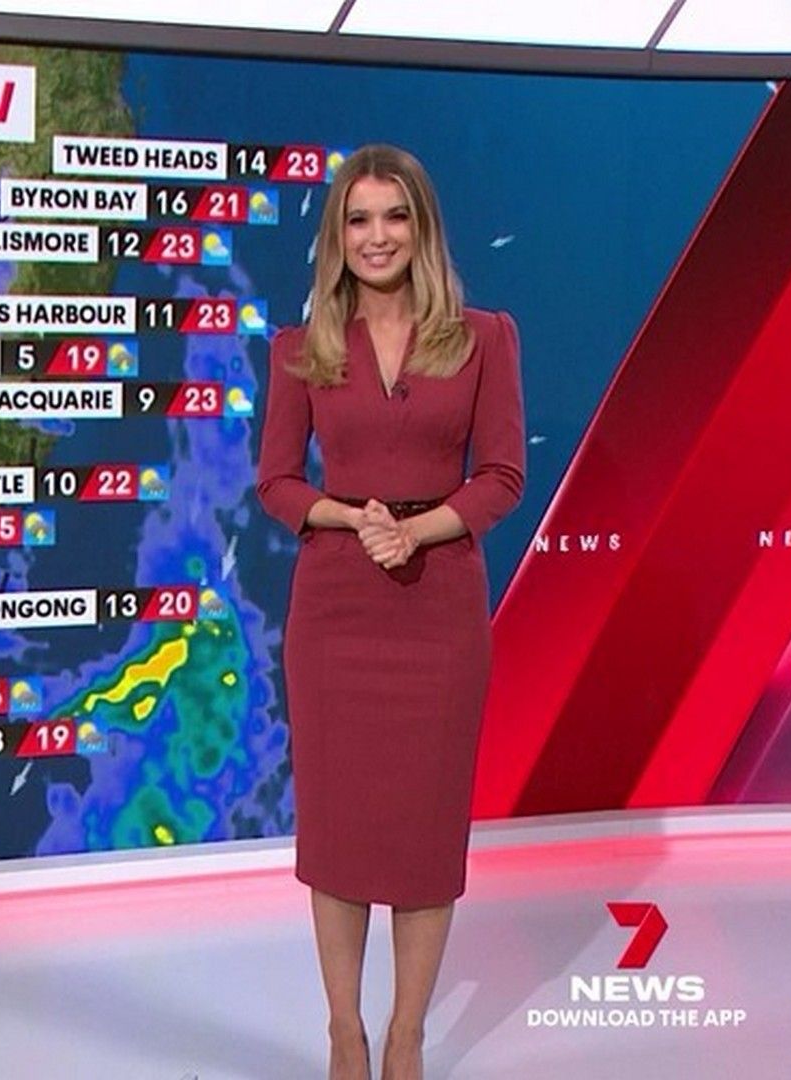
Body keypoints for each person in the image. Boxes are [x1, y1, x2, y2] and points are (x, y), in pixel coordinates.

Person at [254, 144, 526, 1080]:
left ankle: (407, 1037)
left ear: (422, 227)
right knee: (338, 833)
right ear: (338, 235)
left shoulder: (484, 337)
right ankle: (346, 1033)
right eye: (359, 219)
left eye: (395, 216)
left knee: (421, 833)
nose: (378, 236)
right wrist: (351, 518)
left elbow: (502, 475)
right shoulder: (301, 349)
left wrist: (418, 533)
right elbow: (277, 482)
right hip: (336, 607)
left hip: (437, 606)